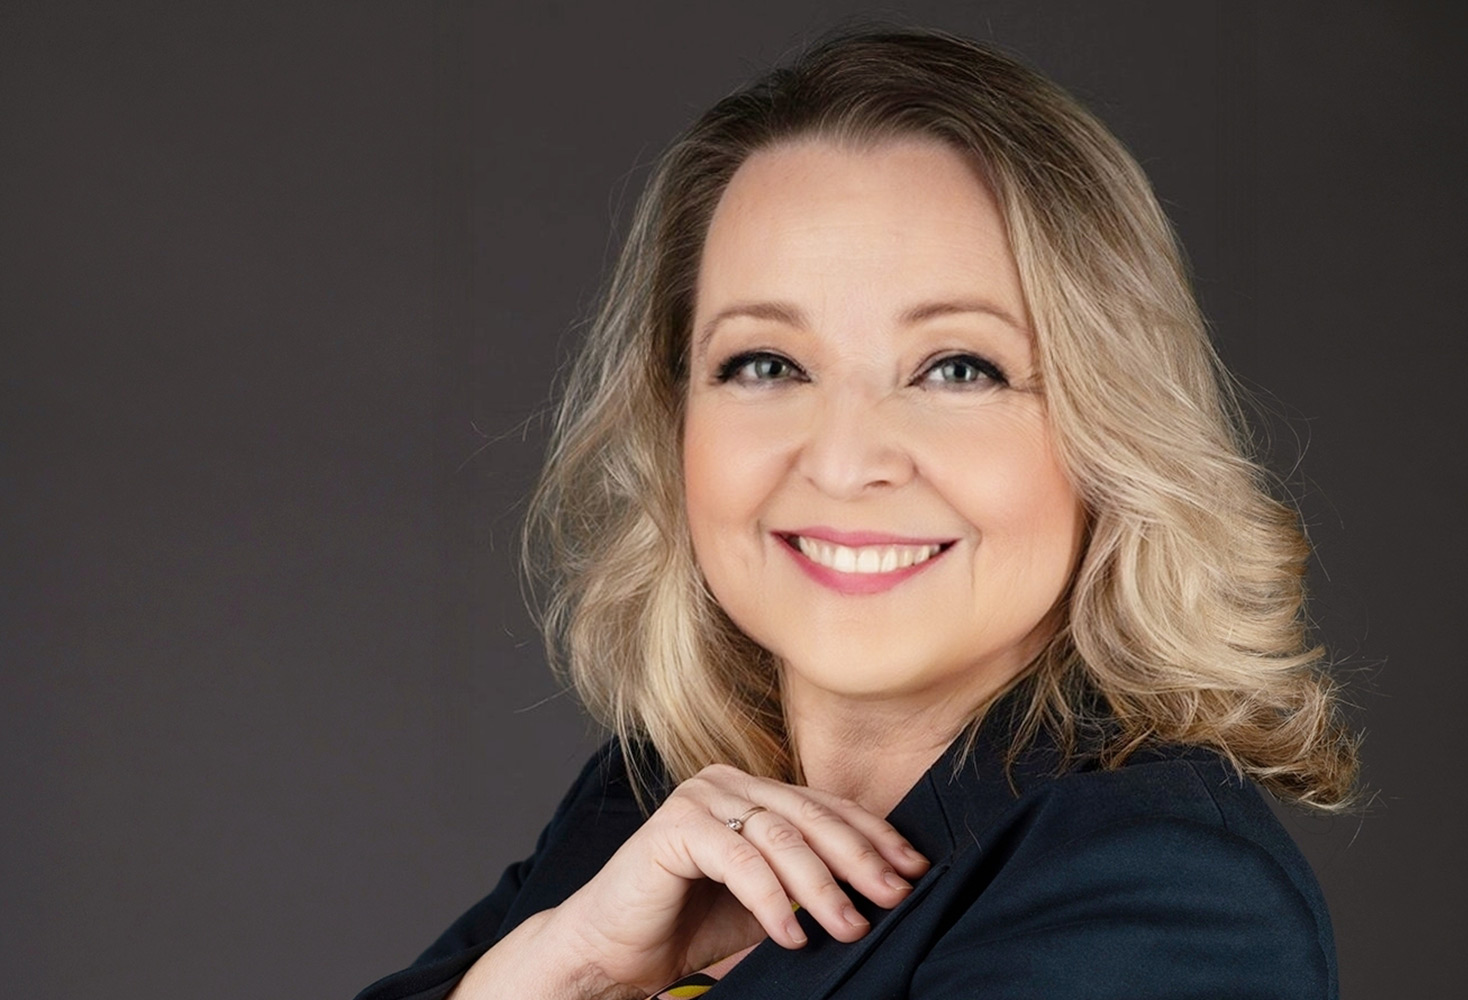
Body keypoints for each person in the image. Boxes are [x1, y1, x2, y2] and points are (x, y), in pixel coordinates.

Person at [356, 27, 1357, 1000]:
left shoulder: (1162, 891)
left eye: (957, 368)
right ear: (674, 418)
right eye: (766, 364)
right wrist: (557, 968)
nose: (842, 463)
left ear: (1114, 429)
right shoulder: (651, 798)